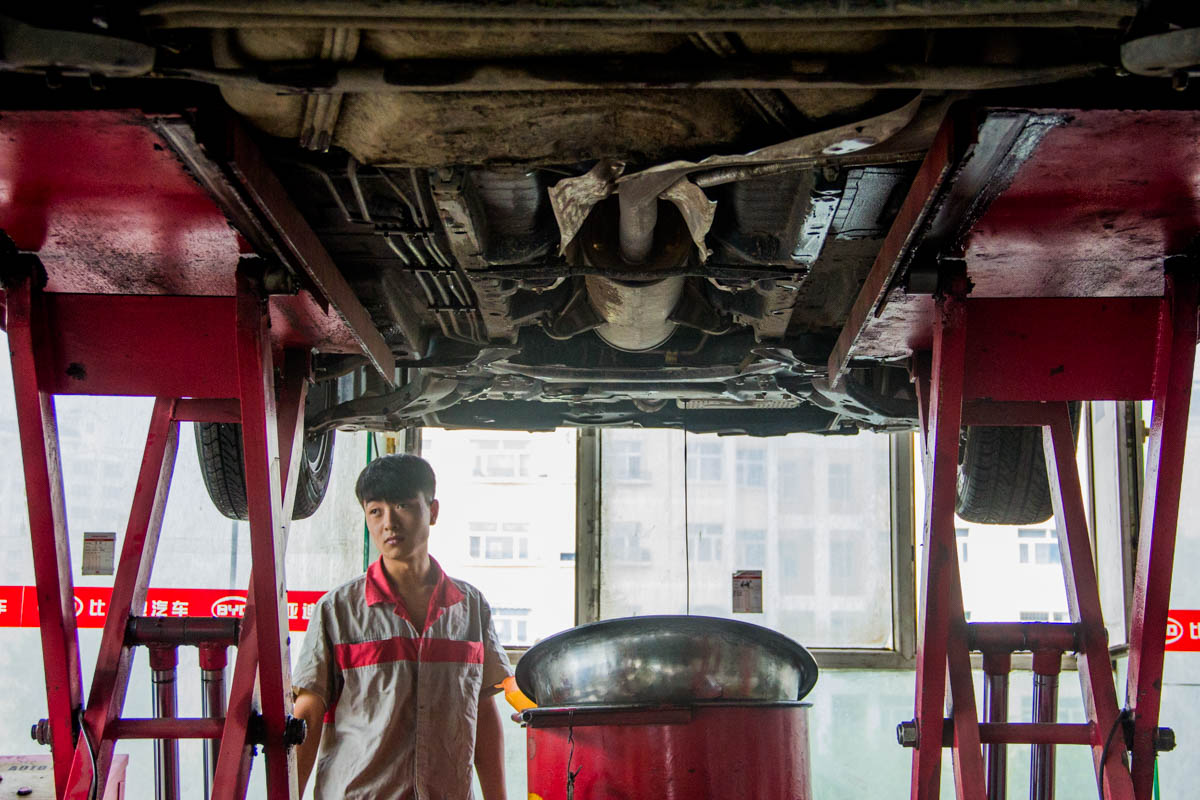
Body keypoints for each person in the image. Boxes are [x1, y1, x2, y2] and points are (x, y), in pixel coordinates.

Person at [292, 454, 512, 799]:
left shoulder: (471, 609)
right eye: (375, 511)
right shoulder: (337, 610)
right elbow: (308, 712)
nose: (389, 523)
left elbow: (483, 711)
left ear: (433, 511)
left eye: (402, 506)